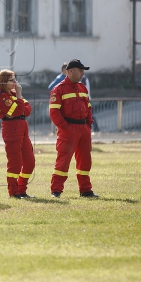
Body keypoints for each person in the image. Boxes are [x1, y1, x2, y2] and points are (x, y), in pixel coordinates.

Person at [48, 59, 98, 198]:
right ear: (71, 71)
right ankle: (56, 191)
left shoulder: (82, 88)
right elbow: (54, 112)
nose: (83, 73)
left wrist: (88, 125)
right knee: (63, 161)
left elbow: (88, 108)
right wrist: (66, 128)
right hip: (68, 130)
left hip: (83, 129)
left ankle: (85, 190)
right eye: (80, 70)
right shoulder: (58, 89)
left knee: (85, 161)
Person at [0, 69, 35, 199]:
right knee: (15, 163)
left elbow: (27, 110)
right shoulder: (2, 97)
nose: (15, 83)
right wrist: (19, 96)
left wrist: (19, 98)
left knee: (29, 162)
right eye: (12, 80)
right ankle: (14, 192)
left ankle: (22, 190)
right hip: (12, 129)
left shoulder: (14, 94)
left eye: (15, 79)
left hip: (22, 129)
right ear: (3, 82)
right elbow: (18, 111)